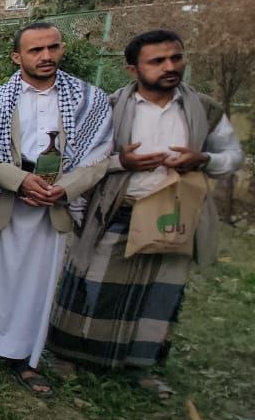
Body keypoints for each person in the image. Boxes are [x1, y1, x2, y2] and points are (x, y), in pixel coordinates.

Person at [49, 29, 241, 397]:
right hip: (117, 210)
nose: (170, 67)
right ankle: (68, 355)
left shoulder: (204, 110)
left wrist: (203, 158)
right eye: (157, 61)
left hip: (174, 214)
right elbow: (83, 159)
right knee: (91, 285)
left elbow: (231, 156)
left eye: (175, 58)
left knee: (159, 293)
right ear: (133, 69)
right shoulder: (109, 107)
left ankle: (141, 366)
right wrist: (122, 162)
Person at [0, 22, 113, 396]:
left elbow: (99, 157)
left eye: (53, 47)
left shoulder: (89, 101)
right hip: (4, 197)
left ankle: (24, 356)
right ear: (17, 57)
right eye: (36, 50)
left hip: (54, 201)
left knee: (37, 281)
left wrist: (63, 189)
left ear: (62, 49)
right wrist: (19, 181)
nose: (46, 56)